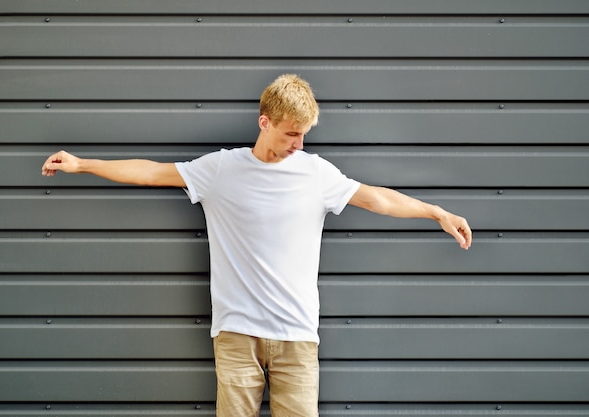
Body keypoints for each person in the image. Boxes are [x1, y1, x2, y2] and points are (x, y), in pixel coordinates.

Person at [42, 74, 471, 417]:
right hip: (236, 335)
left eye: (304, 135)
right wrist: (83, 164)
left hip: (298, 336)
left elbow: (377, 198)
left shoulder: (316, 173)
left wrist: (436, 212)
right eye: (290, 134)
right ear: (264, 122)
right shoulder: (221, 169)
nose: (299, 145)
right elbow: (151, 172)